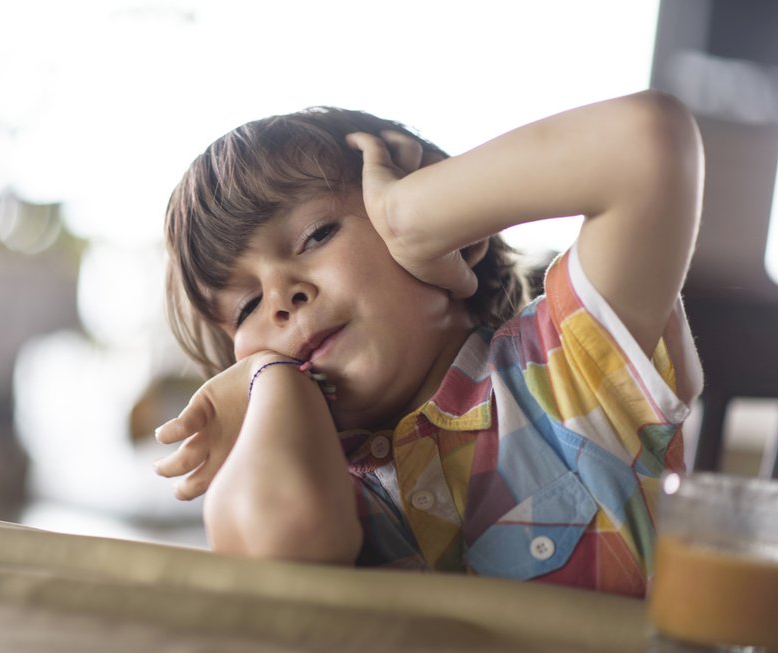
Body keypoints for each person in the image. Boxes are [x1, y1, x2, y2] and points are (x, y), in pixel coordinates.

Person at [154, 90, 704, 597]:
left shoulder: (571, 362)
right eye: (247, 308)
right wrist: (272, 380)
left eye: (316, 236)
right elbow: (283, 547)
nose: (280, 297)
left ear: (455, 244)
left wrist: (408, 215)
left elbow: (646, 143)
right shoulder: (312, 477)